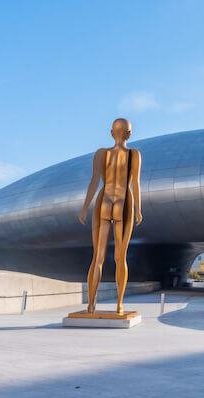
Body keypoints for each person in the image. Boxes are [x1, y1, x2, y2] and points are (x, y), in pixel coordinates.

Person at [79, 118, 142, 314]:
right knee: (120, 257)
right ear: (129, 134)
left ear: (111, 133)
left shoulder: (101, 154)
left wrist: (85, 206)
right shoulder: (134, 155)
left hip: (104, 200)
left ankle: (91, 304)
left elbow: (94, 181)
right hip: (123, 200)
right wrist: (138, 208)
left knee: (98, 257)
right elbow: (136, 184)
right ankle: (119, 304)